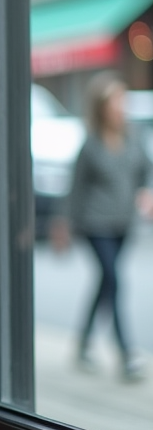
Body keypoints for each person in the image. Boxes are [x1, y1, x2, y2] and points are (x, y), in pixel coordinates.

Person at [51, 72, 153, 383]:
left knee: (106, 283)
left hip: (123, 222)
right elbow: (75, 188)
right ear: (102, 107)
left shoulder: (133, 136)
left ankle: (82, 341)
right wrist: (62, 224)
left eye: (122, 100)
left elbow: (145, 171)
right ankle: (127, 354)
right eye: (114, 101)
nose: (120, 107)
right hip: (94, 223)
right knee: (114, 280)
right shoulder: (91, 144)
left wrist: (146, 192)